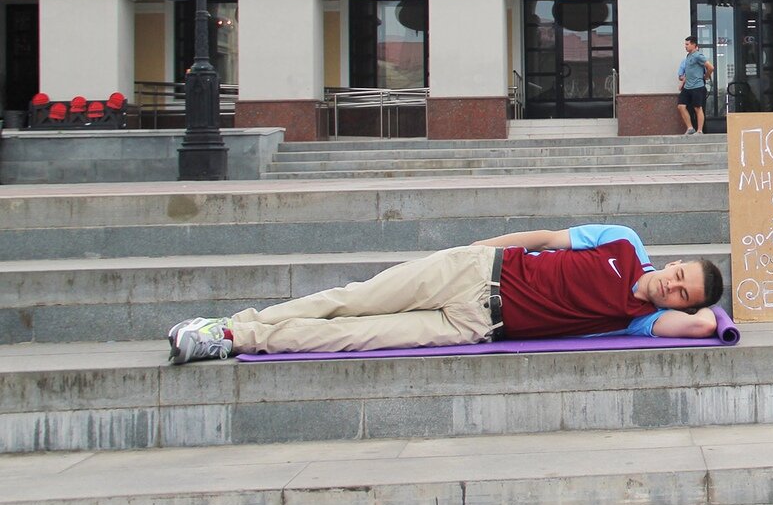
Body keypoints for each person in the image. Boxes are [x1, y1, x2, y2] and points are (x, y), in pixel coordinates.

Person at [167, 224, 726, 364]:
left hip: (473, 326)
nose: (671, 285)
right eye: (679, 274)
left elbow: (703, 328)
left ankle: (233, 338)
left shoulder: (638, 321)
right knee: (352, 298)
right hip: (474, 272)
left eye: (681, 294)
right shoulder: (625, 243)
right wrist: (478, 247)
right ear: (673, 261)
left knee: (354, 336)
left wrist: (711, 315)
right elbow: (546, 237)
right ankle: (235, 322)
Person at [677, 35, 714, 135]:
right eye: (685, 44)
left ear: (693, 45)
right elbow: (689, 72)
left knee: (698, 108)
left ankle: (699, 130)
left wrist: (706, 76)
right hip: (687, 86)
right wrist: (683, 82)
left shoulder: (698, 55)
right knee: (681, 106)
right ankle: (690, 128)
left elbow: (710, 67)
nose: (685, 46)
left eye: (687, 44)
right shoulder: (688, 56)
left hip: (697, 87)